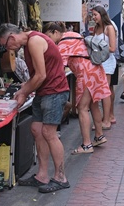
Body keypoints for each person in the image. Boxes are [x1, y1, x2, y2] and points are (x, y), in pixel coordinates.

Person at [0, 23, 71, 193]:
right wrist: (26, 88)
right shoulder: (29, 43)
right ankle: (42, 175)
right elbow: (38, 75)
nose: (7, 49)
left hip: (54, 91)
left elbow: (41, 75)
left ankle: (61, 177)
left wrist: (24, 92)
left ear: (12, 37)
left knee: (49, 133)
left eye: (5, 45)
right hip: (43, 92)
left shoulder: (34, 41)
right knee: (37, 130)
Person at [43, 22, 108, 154]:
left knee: (82, 108)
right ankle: (99, 136)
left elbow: (58, 67)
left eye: (48, 36)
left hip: (85, 73)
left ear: (55, 32)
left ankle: (86, 145)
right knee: (94, 104)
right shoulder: (74, 35)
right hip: (97, 70)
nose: (49, 41)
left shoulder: (62, 43)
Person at [89, 5, 118, 128]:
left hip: (107, 62)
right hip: (97, 62)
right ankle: (101, 118)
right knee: (98, 91)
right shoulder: (96, 28)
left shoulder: (109, 28)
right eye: (93, 15)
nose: (93, 17)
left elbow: (113, 48)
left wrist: (97, 47)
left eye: (95, 15)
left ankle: (106, 120)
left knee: (105, 91)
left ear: (102, 14)